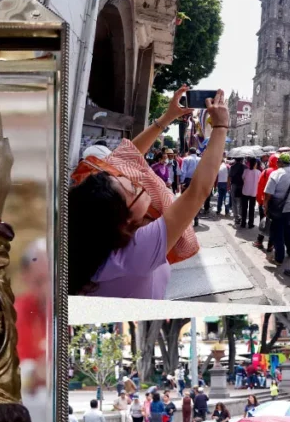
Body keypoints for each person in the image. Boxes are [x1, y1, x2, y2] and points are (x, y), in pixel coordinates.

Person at [69, 87, 229, 298]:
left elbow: (127, 157)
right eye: (133, 188)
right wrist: (220, 126)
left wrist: (169, 116)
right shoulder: (133, 254)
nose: (134, 180)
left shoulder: (94, 240)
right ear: (124, 220)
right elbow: (198, 192)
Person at [263, 153, 290, 267]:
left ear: (281, 162)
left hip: (277, 208)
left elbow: (268, 193)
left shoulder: (276, 173)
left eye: (278, 162)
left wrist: (265, 205)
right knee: (287, 229)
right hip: (289, 208)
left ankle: (279, 258)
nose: (277, 163)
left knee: (277, 232)